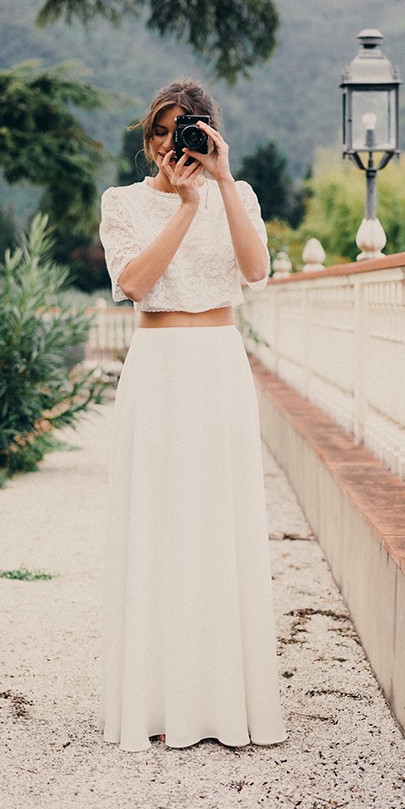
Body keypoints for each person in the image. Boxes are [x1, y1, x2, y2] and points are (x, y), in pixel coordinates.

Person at [98, 77, 287, 752]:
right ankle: (155, 700)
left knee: (218, 525)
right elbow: (136, 284)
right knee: (159, 526)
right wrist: (181, 207)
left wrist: (222, 183)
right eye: (163, 130)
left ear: (209, 135)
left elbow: (257, 269)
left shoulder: (239, 195)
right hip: (159, 371)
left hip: (218, 366)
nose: (173, 143)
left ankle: (221, 703)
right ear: (149, 140)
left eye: (189, 130)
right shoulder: (121, 203)